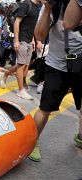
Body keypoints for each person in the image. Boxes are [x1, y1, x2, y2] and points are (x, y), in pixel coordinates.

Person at [29, 0, 82, 162]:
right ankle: (31, 141)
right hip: (57, 65)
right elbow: (40, 35)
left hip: (80, 64)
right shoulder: (55, 5)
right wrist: (47, 7)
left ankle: (80, 136)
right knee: (45, 108)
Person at [0, 0, 41, 100]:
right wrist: (17, 40)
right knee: (21, 65)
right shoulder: (27, 4)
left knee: (25, 65)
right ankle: (21, 91)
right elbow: (17, 22)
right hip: (22, 39)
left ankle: (6, 73)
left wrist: (34, 40)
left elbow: (32, 25)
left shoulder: (37, 6)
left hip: (29, 40)